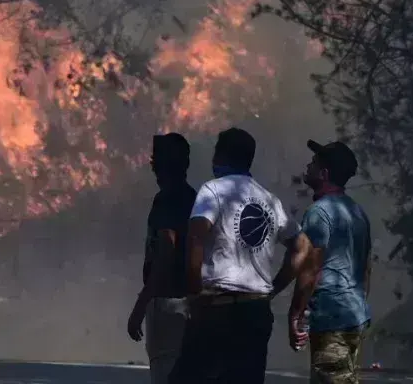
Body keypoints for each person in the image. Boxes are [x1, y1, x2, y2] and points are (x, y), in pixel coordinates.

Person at [168, 127, 313, 384]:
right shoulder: (268, 200)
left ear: (221, 157)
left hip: (216, 310)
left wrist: (193, 293)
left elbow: (196, 238)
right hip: (255, 312)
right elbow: (303, 248)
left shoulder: (213, 191)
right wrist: (272, 289)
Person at [289, 139, 372, 384]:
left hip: (331, 319)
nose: (308, 165)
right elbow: (366, 268)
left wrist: (295, 314)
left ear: (324, 174)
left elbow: (310, 269)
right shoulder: (357, 212)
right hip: (355, 316)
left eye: (314, 163)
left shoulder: (319, 213)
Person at [127, 133, 197, 384]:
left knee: (165, 372)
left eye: (155, 159)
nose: (151, 164)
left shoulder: (167, 199)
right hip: (190, 303)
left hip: (167, 304)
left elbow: (167, 249)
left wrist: (141, 305)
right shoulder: (194, 197)